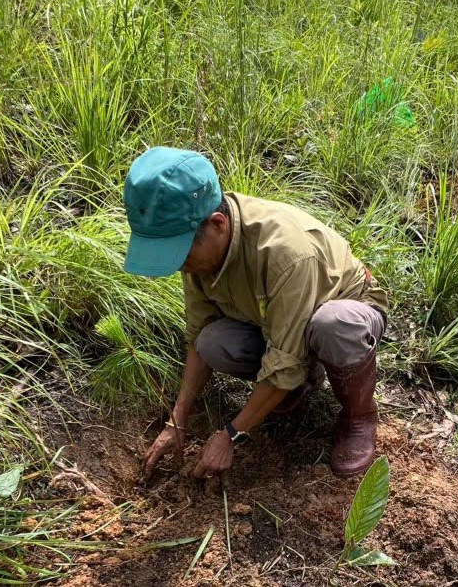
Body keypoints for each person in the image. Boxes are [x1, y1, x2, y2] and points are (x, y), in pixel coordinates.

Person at [124, 147, 388, 482]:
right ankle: (297, 387)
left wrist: (232, 434)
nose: (179, 266)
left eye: (180, 255)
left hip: (347, 310)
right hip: (278, 323)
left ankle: (359, 416)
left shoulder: (285, 253)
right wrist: (177, 420)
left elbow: (285, 359)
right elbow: (198, 332)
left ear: (218, 224)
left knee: (333, 326)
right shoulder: (199, 251)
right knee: (213, 342)